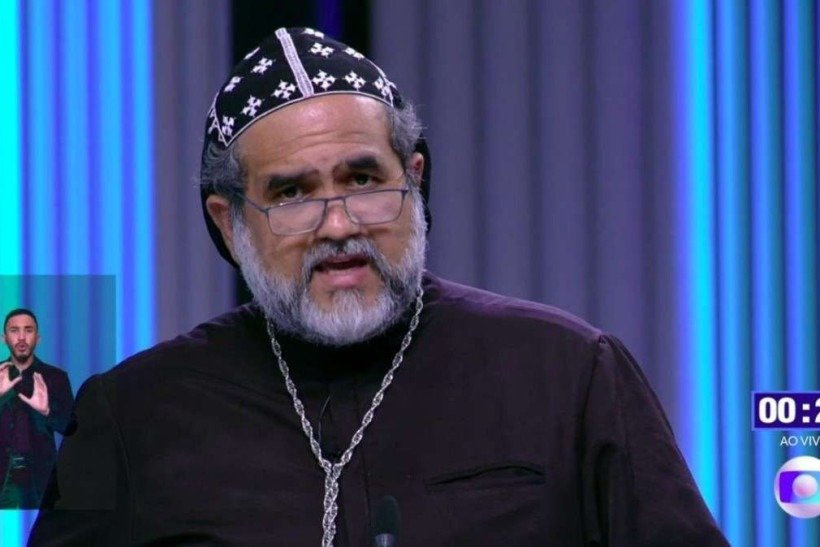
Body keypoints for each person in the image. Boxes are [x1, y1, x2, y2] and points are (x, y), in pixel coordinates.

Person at [30, 28, 728, 546]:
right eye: (293, 193)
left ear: (414, 179)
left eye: (363, 179)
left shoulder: (569, 374)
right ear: (229, 223)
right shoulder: (130, 415)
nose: (338, 225)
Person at [0, 308, 74, 510]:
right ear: (4, 338)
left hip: (40, 480)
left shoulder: (56, 377)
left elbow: (71, 427)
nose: (21, 337)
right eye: (14, 330)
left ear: (38, 338)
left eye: (28, 330)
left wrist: (47, 411)